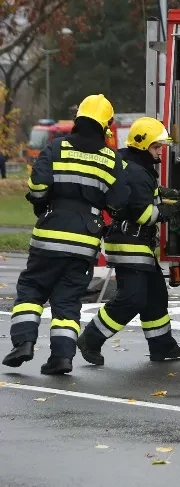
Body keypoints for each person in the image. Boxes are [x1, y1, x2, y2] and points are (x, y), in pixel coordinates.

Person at [3, 95, 124, 375]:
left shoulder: (56, 148)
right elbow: (119, 203)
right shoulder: (110, 158)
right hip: (84, 243)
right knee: (68, 302)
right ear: (104, 125)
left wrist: (43, 205)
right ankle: (62, 358)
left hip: (49, 233)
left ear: (79, 118)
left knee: (32, 289)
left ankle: (23, 343)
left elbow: (37, 187)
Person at [77, 117, 180, 366]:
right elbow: (143, 214)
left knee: (156, 295)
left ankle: (162, 345)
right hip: (131, 244)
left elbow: (137, 198)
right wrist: (170, 211)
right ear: (142, 144)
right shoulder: (139, 171)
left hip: (133, 243)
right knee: (132, 299)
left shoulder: (129, 163)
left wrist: (162, 194)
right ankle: (91, 339)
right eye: (156, 146)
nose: (159, 151)